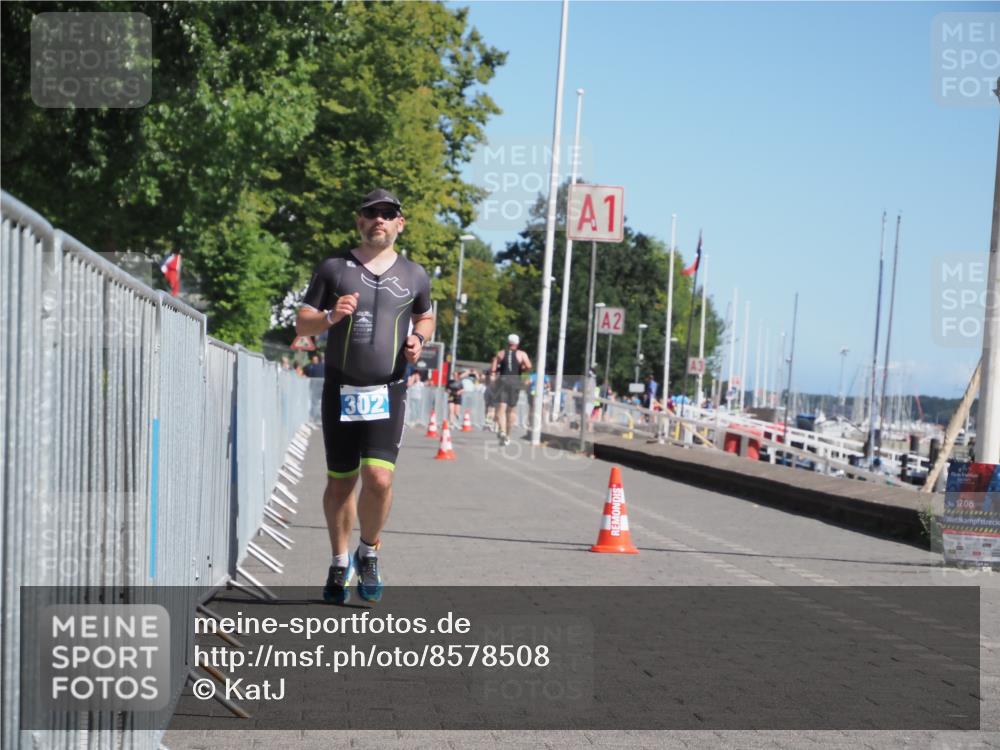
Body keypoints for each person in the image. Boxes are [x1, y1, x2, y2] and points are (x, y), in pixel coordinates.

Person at [295, 188, 434, 604]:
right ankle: (340, 564)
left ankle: (369, 551)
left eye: (388, 214)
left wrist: (419, 339)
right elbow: (303, 323)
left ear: (399, 223)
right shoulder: (334, 269)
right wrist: (331, 316)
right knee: (341, 483)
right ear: (359, 221)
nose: (379, 219)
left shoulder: (415, 274)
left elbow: (425, 315)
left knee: (379, 478)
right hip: (341, 388)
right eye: (371, 213)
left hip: (387, 389)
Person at [490, 334, 532, 446]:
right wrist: (522, 368)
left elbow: (494, 366)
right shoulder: (521, 354)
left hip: (503, 381)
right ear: (517, 343)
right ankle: (508, 435)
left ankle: (502, 431)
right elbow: (529, 365)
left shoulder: (501, 353)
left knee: (501, 408)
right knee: (511, 410)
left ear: (508, 343)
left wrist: (493, 377)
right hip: (515, 383)